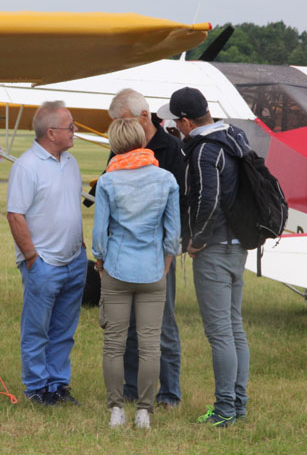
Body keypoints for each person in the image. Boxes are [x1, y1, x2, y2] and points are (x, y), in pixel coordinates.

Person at [157, 87, 251, 428]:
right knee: (234, 328)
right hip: (238, 244)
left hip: (215, 249)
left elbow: (207, 201)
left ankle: (224, 408)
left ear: (185, 122)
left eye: (175, 122)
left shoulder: (203, 150)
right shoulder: (235, 137)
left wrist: (196, 239)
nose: (175, 128)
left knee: (220, 333)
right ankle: (238, 403)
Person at [92, 118, 180, 429]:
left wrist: (100, 262)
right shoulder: (166, 179)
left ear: (115, 144)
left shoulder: (108, 181)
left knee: (114, 344)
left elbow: (100, 235)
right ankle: (144, 410)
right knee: (150, 344)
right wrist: (166, 263)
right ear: (142, 140)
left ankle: (116, 408)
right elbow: (173, 234)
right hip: (153, 269)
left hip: (117, 267)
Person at [106, 88, 185, 409]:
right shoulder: (117, 151)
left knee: (163, 324)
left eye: (121, 120)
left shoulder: (171, 148)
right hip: (124, 252)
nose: (118, 128)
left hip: (158, 253)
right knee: (127, 325)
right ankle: (130, 386)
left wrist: (169, 254)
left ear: (142, 116)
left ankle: (169, 392)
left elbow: (179, 203)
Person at [6, 100, 87, 406]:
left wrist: (80, 247)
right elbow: (15, 215)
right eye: (70, 127)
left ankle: (58, 385)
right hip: (44, 264)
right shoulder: (26, 166)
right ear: (51, 133)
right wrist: (32, 258)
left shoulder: (71, 162)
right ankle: (37, 388)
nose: (74, 130)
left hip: (74, 261)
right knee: (37, 329)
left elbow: (70, 207)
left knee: (64, 330)